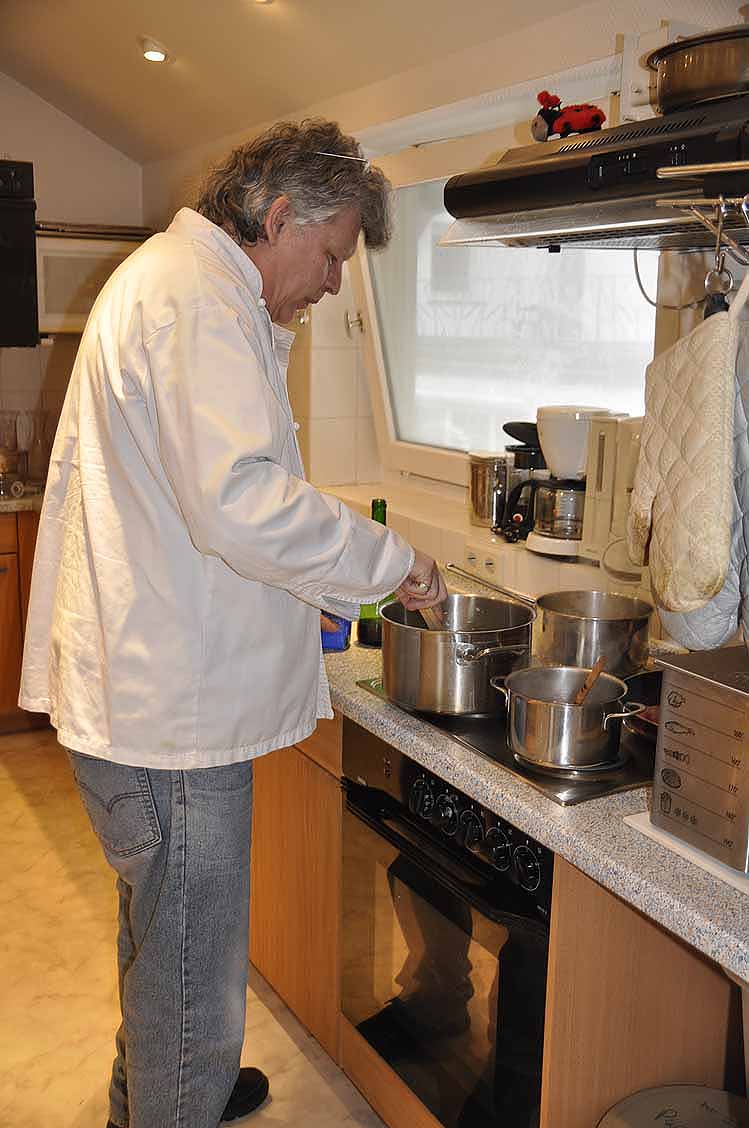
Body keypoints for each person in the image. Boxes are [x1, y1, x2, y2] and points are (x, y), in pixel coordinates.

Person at [19, 118, 447, 1128]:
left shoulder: (186, 286)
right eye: (331, 255)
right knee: (189, 971)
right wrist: (392, 563)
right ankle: (179, 1094)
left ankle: (151, 1098)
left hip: (152, 700)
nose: (334, 283)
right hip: (173, 722)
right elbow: (242, 503)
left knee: (162, 942)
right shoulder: (194, 300)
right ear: (280, 215)